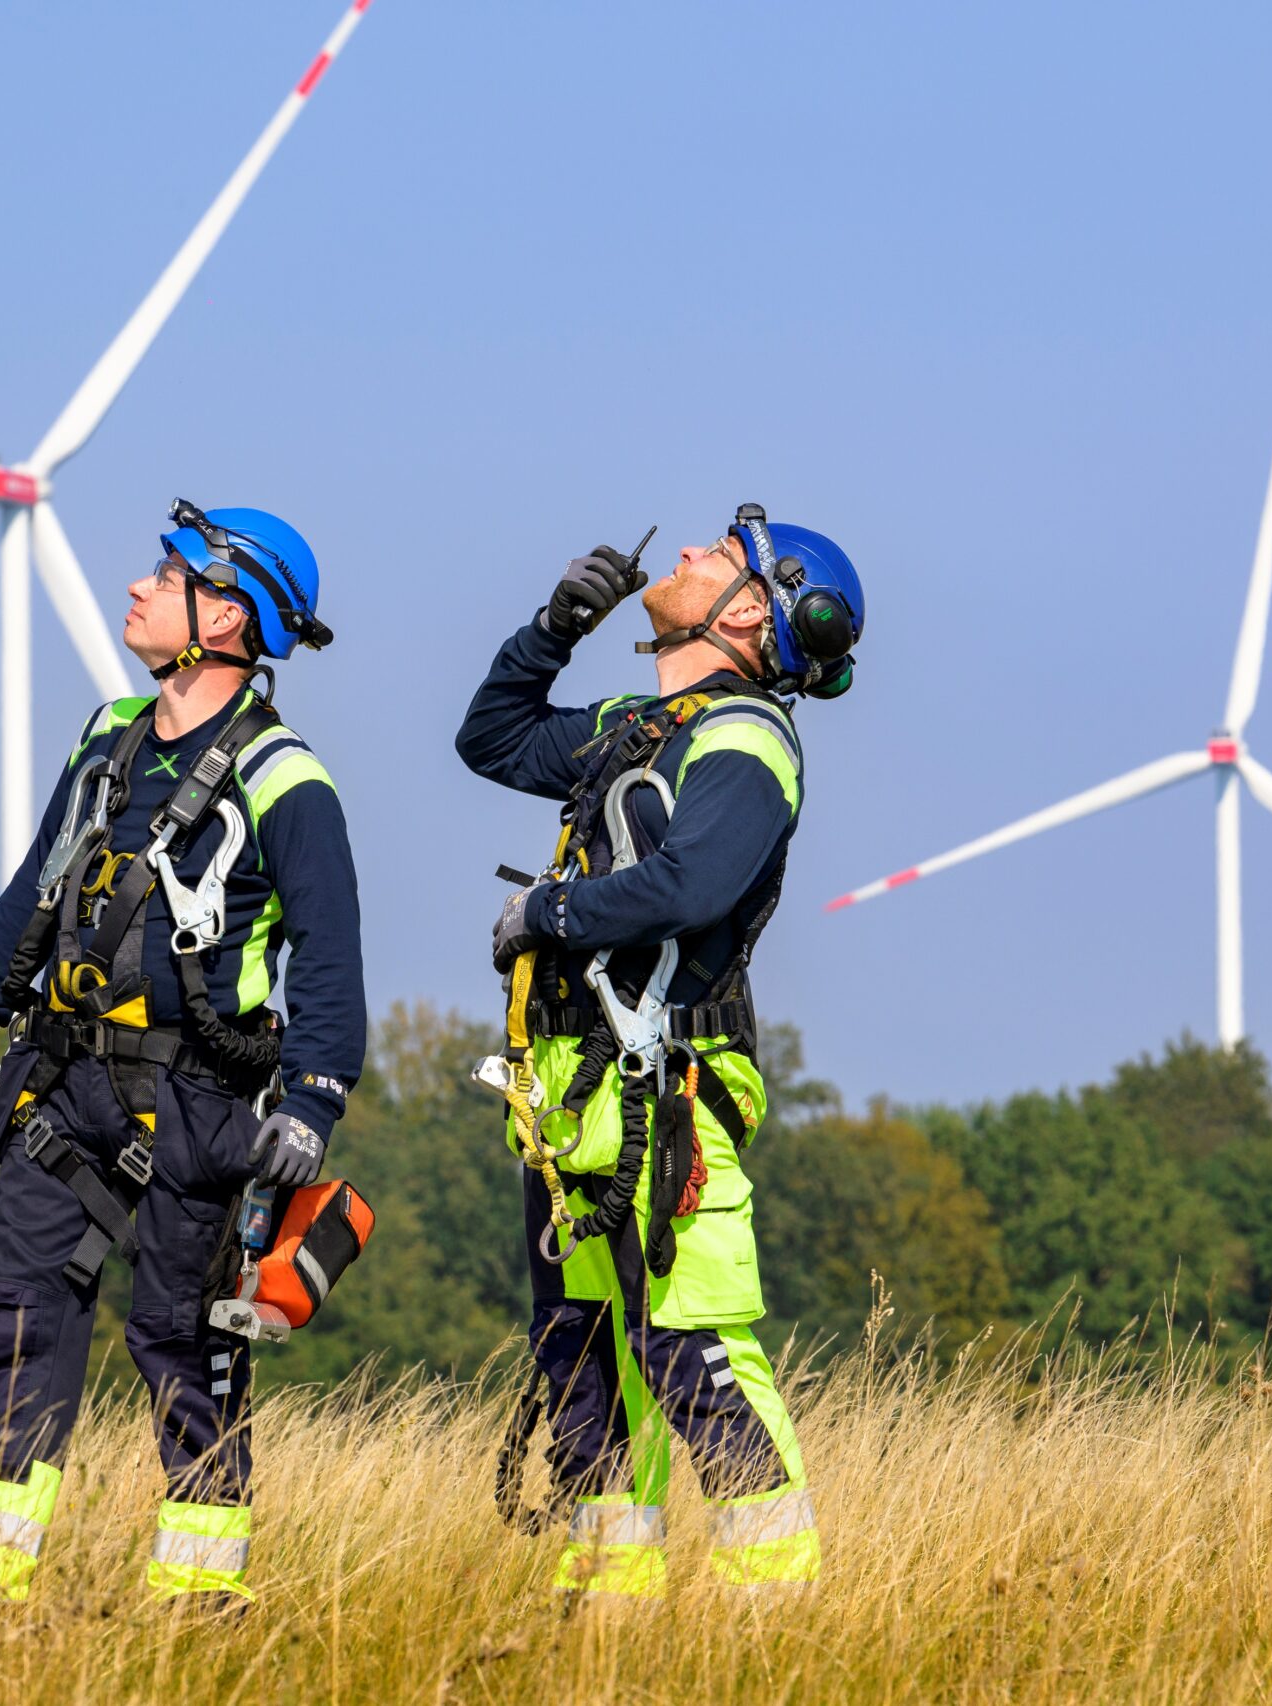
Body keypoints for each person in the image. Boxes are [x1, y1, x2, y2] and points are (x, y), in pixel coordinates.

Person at [0, 500, 365, 1607]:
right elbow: (36, 884)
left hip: (201, 1102)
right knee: (12, 1316)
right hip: (60, 1087)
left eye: (165, 577)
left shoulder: (287, 777)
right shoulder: (103, 734)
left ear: (226, 612)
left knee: (185, 1340)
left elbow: (328, 949)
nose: (135, 590)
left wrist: (309, 1097)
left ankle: (199, 1604)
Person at [455, 503, 864, 1600]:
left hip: (671, 1096)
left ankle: (779, 1614)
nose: (684, 552)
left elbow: (691, 884)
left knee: (695, 1360)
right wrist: (553, 626)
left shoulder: (743, 742)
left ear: (752, 617)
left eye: (718, 558)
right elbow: (489, 739)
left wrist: (549, 911)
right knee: (581, 1362)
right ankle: (609, 1614)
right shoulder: (640, 724)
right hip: (579, 1104)